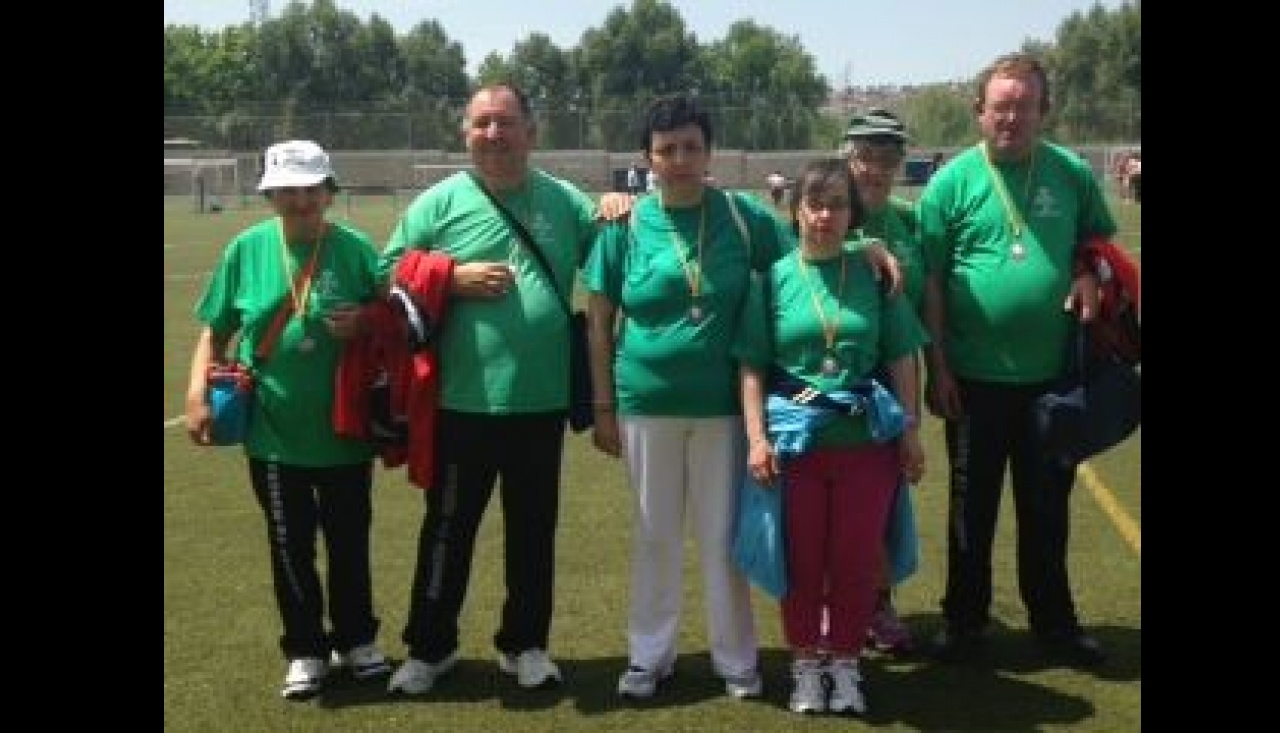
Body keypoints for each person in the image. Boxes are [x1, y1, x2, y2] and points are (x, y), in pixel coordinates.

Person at [586, 95, 906, 702]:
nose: (680, 160)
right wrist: (603, 407)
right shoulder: (625, 224)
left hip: (726, 409)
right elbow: (599, 323)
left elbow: (810, 256)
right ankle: (647, 657)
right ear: (647, 159)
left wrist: (864, 248)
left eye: (691, 147)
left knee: (723, 536)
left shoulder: (741, 218)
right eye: (666, 149)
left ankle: (736, 659)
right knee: (654, 533)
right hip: (645, 404)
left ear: (709, 152)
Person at [381, 83, 602, 696]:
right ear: (465, 133)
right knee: (448, 530)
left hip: (541, 402)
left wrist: (617, 207)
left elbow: (613, 255)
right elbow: (386, 270)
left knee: (533, 531)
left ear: (532, 130)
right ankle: (430, 649)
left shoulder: (563, 201)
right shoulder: (439, 202)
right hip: (461, 404)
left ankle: (525, 645)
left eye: (505, 122)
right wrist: (450, 277)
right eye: (481, 123)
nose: (493, 134)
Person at [917, 52, 1115, 668]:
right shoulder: (950, 184)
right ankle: (965, 622)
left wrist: (1086, 270)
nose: (1011, 117)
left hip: (1054, 380)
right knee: (969, 510)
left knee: (1046, 508)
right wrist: (939, 369)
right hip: (973, 381)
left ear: (1042, 110)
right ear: (979, 112)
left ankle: (1055, 624)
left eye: (1023, 105)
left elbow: (1099, 243)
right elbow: (932, 286)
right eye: (1000, 106)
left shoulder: (1071, 174)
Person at [183, 139, 392, 701]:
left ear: (328, 191)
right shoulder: (246, 249)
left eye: (310, 189)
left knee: (350, 541)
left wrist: (367, 320)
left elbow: (394, 317)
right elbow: (214, 332)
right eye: (288, 190)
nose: (300, 200)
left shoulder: (354, 249)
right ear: (271, 194)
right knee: (288, 544)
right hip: (273, 435)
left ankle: (357, 641)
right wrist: (196, 393)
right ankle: (305, 649)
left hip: (346, 433)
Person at [734, 158, 927, 715]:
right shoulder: (771, 279)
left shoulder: (873, 273)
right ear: (796, 210)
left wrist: (909, 430)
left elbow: (901, 356)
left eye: (837, 204)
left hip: (867, 446)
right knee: (800, 563)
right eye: (815, 204)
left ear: (852, 213)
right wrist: (755, 439)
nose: (824, 215)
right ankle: (804, 666)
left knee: (855, 560)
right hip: (795, 448)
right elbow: (750, 366)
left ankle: (845, 664)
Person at [840, 108, 924, 657]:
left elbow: (925, 298)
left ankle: (878, 604)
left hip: (893, 383)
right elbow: (790, 258)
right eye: (865, 156)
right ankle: (837, 605)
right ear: (849, 157)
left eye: (886, 158)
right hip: (829, 386)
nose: (875, 168)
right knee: (828, 501)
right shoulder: (826, 211)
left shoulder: (909, 222)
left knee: (886, 501)